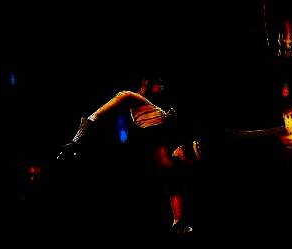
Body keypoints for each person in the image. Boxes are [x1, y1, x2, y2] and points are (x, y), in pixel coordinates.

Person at [58, 76, 194, 234]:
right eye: (159, 84)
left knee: (174, 181)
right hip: (155, 144)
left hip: (164, 145)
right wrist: (78, 139)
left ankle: (178, 222)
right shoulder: (132, 96)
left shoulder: (151, 105)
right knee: (172, 179)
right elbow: (96, 115)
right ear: (147, 83)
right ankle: (177, 222)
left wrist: (167, 119)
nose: (162, 88)